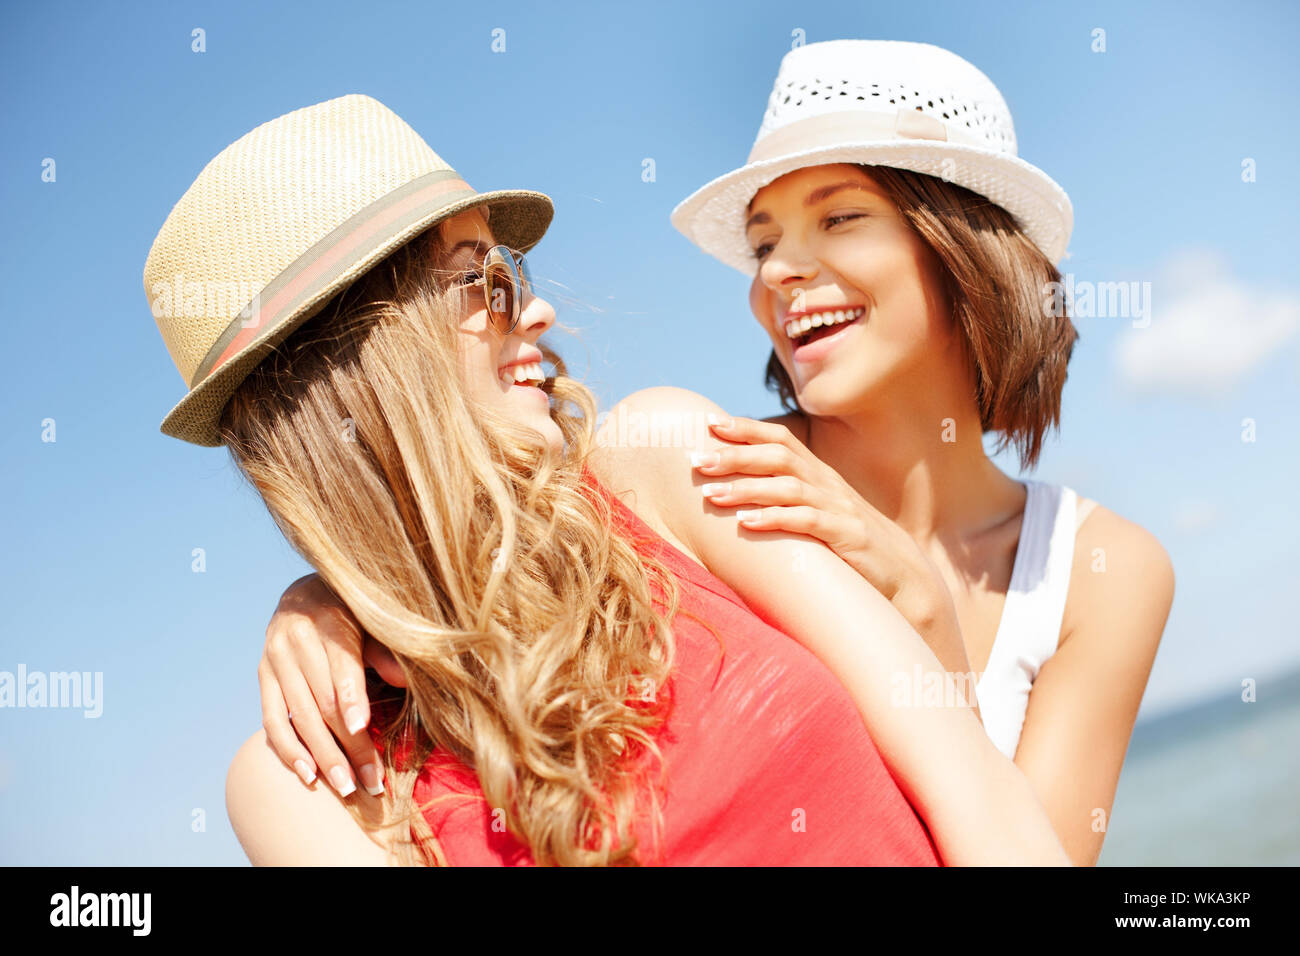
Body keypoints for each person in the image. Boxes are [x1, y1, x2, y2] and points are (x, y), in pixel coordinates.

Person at [264, 42, 1173, 866]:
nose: (778, 270)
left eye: (842, 217)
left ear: (961, 244)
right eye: (765, 242)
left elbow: (1019, 837)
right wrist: (324, 601)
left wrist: (927, 616)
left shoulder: (1102, 569)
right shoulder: (703, 468)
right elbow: (479, 528)